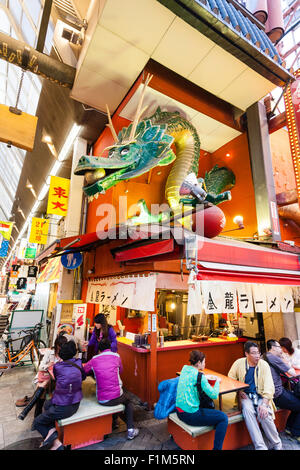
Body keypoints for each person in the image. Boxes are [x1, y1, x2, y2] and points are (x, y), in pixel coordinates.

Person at [228, 340, 282, 450]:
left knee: (264, 414)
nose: (257, 356)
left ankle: (277, 444)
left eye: (258, 352)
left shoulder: (264, 365)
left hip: (261, 396)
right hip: (245, 396)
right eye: (253, 353)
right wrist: (239, 391)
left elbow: (269, 385)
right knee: (248, 411)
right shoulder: (238, 363)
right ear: (246, 354)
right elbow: (231, 379)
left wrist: (265, 404)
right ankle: (261, 447)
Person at [32, 340, 85, 450]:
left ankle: (57, 443)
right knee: (47, 404)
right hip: (76, 403)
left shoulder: (58, 367)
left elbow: (56, 377)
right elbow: (83, 376)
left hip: (64, 407)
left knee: (37, 422)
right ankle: (52, 430)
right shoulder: (79, 363)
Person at [83, 338, 139, 440]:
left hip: (102, 400)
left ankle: (114, 423)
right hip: (117, 396)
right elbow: (120, 370)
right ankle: (130, 430)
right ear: (109, 348)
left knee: (114, 396)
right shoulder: (116, 356)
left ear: (99, 350)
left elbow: (84, 371)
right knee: (128, 401)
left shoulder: (94, 359)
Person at [175, 350, 228, 450]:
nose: (205, 364)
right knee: (223, 418)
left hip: (179, 411)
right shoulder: (200, 377)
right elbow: (214, 395)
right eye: (204, 362)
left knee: (209, 409)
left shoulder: (185, 370)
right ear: (199, 363)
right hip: (190, 415)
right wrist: (217, 382)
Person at [265, 339, 300, 442]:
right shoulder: (274, 358)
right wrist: (283, 360)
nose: (280, 349)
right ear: (273, 348)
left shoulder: (265, 356)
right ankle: (296, 433)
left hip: (272, 392)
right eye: (279, 347)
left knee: (296, 400)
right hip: (277, 393)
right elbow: (293, 373)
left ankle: (289, 428)